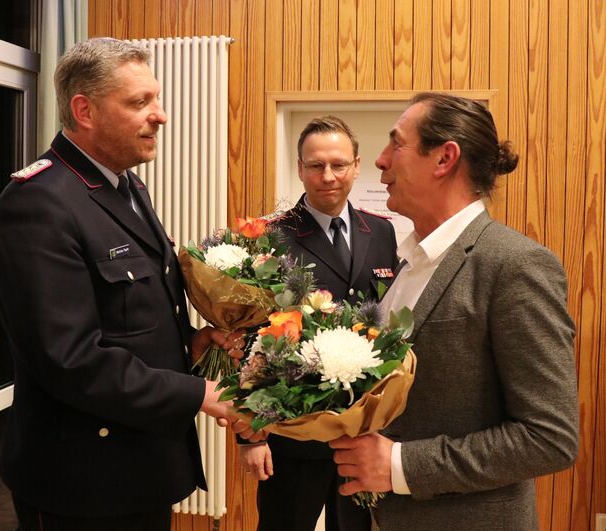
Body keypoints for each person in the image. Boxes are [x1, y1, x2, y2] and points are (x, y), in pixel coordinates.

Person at [0, 38, 259, 531]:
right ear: (84, 111)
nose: (161, 115)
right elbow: (69, 358)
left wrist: (191, 344)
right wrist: (198, 393)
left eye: (156, 98)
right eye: (139, 102)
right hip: (82, 481)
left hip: (142, 466)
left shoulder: (126, 185)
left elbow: (130, 318)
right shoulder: (39, 202)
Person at [330, 92, 579, 530]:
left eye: (397, 144)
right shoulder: (407, 263)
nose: (381, 161)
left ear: (444, 158)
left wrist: (401, 465)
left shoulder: (515, 265)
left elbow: (549, 437)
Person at [240, 116, 398, 531]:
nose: (328, 176)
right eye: (316, 165)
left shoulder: (381, 232)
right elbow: (248, 333)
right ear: (300, 168)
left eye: (339, 164)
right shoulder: (271, 237)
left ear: (357, 166)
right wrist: (251, 435)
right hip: (293, 429)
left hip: (359, 429)